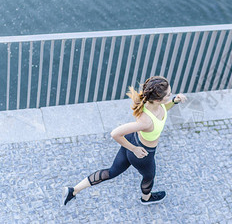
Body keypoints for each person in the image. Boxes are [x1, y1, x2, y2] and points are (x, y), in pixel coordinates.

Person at [62, 76, 187, 206]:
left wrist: (174, 100)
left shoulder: (154, 105)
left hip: (132, 140)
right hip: (143, 153)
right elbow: (115, 133)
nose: (170, 95)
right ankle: (146, 198)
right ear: (157, 99)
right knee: (149, 176)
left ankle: (73, 190)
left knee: (112, 171)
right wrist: (134, 149)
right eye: (168, 95)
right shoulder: (146, 121)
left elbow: (163, 110)